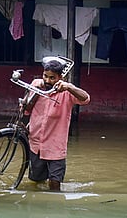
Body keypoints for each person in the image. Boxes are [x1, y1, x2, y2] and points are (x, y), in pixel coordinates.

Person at [21, 57, 90, 191]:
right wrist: (35, 91)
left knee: (54, 184)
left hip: (55, 146)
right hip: (36, 143)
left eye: (52, 78)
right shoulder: (36, 83)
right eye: (45, 76)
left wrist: (69, 87)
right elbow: (26, 109)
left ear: (60, 78)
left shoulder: (67, 91)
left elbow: (86, 98)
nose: (47, 80)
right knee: (35, 181)